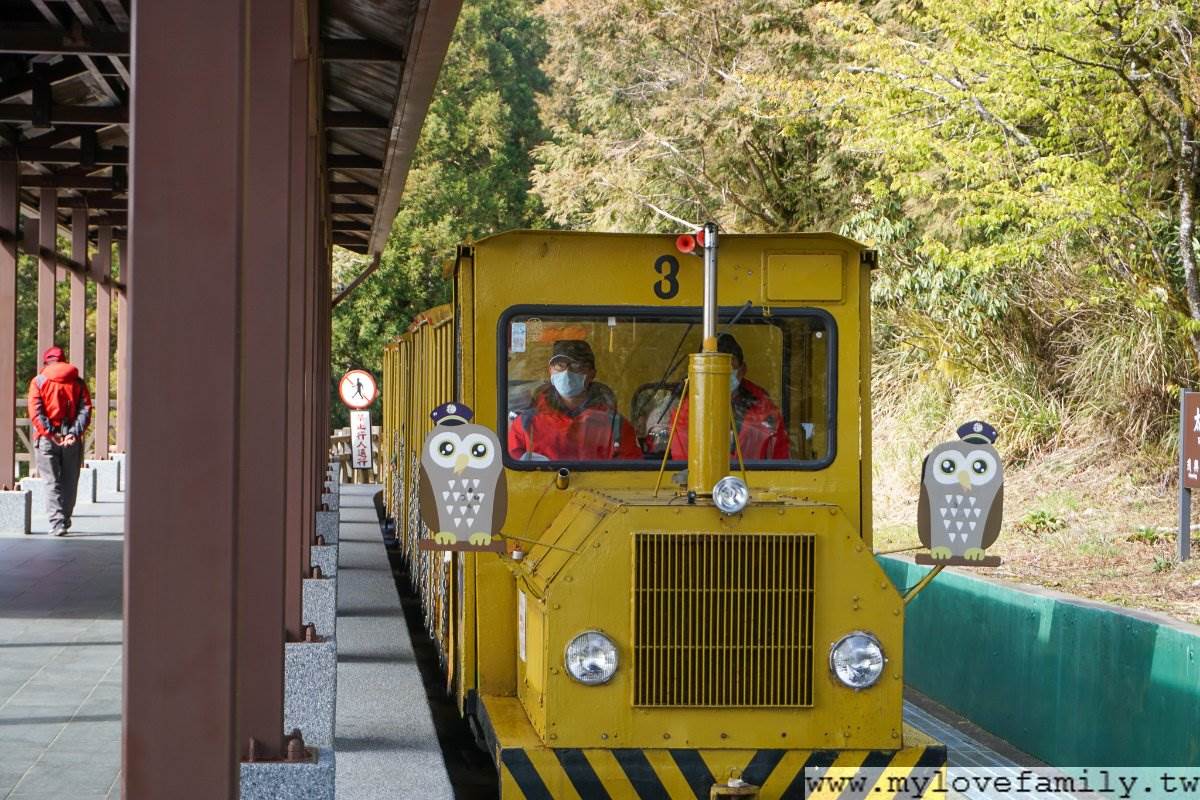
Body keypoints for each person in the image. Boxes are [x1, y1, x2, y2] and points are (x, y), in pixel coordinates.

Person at [508, 339, 641, 461]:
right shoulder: (526, 423)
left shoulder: (616, 426)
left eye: (577, 366)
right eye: (560, 365)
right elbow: (512, 474)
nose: (567, 372)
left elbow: (631, 475)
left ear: (591, 373)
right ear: (550, 370)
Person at [668, 332, 790, 460]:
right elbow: (680, 460)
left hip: (756, 479)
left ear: (743, 370)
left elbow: (780, 459)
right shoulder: (683, 409)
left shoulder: (766, 412)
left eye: (730, 367)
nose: (722, 374)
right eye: (714, 367)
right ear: (701, 371)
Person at [27, 346, 92, 536]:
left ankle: (57, 523)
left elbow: (35, 411)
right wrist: (73, 433)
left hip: (47, 439)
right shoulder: (78, 382)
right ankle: (65, 518)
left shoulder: (38, 381)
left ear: (47, 362)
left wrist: (49, 433)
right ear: (64, 360)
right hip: (72, 440)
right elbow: (86, 409)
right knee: (70, 480)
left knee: (51, 481)